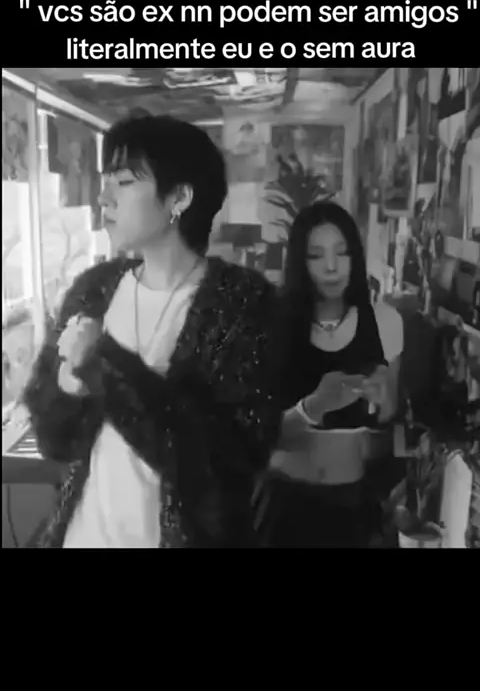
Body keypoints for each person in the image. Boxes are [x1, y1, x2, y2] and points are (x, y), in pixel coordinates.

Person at [23, 114, 282, 549]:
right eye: (105, 180)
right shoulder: (94, 289)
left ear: (179, 197)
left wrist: (103, 363)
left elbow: (223, 468)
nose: (103, 197)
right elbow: (54, 442)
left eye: (123, 182)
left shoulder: (242, 304)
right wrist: (68, 391)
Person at [255, 201, 404, 548]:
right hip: (282, 509)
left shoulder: (385, 323)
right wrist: (314, 407)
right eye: (316, 255)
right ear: (300, 262)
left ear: (355, 257)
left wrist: (385, 409)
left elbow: (389, 432)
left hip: (352, 510)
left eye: (342, 252)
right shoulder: (269, 323)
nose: (332, 267)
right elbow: (254, 438)